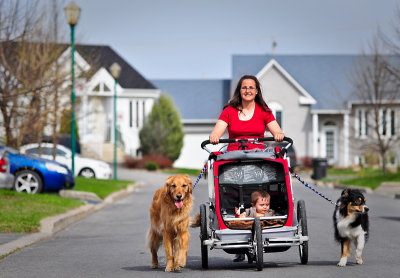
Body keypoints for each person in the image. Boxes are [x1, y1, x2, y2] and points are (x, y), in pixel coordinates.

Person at [209, 75, 284, 151]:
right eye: (244, 88)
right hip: (233, 158)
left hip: (258, 157)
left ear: (256, 91)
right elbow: (216, 133)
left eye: (251, 88)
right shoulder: (229, 111)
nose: (247, 91)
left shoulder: (264, 111)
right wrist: (214, 136)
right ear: (240, 91)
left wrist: (279, 135)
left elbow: (278, 132)